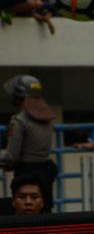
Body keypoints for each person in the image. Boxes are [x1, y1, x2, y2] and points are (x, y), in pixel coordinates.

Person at [1, 75, 57, 213]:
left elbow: (10, 158)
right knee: (44, 214)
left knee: (25, 217)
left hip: (25, 174)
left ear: (18, 96)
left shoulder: (19, 121)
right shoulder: (47, 118)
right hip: (45, 172)